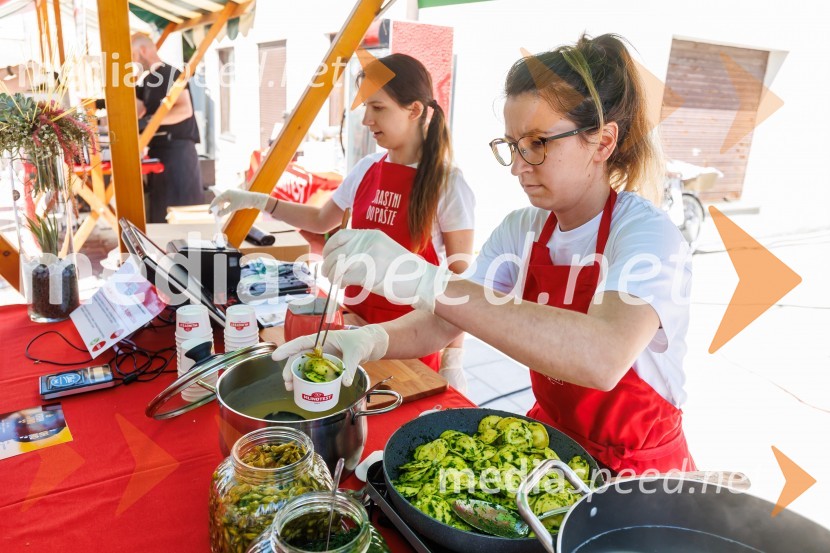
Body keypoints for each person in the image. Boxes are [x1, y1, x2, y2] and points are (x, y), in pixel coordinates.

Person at [275, 34, 696, 475]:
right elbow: (447, 316)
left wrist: (423, 279)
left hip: (640, 473)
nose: (517, 166)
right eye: (513, 145)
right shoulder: (524, 228)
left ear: (603, 141)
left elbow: (603, 357)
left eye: (538, 143)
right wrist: (370, 340)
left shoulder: (646, 235)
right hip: (549, 451)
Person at [211, 54, 476, 391]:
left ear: (415, 110)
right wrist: (259, 200)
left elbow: (459, 285)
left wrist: (454, 358)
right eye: (366, 107)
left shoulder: (449, 183)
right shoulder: (367, 167)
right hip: (352, 330)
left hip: (411, 343)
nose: (366, 119)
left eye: (378, 108)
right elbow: (321, 220)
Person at [131, 33, 203, 223]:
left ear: (143, 51)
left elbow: (184, 110)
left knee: (183, 218)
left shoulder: (172, 73)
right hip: (158, 153)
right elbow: (135, 112)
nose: (131, 61)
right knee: (161, 217)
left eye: (132, 56)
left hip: (179, 153)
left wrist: (149, 122)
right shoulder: (145, 80)